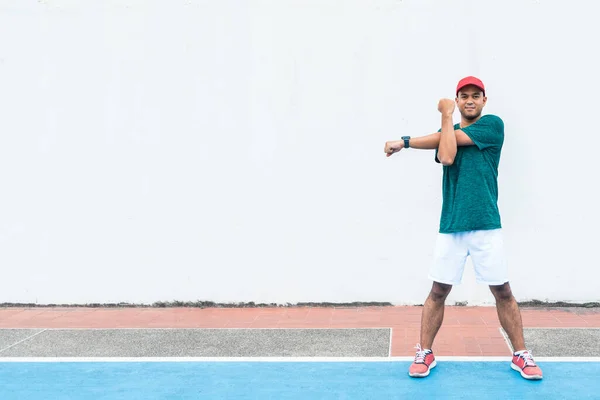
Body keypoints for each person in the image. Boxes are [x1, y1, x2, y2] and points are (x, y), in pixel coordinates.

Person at [383, 76, 543, 380]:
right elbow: (441, 141)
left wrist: (445, 115)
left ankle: (520, 354)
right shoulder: (450, 130)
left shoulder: (493, 125)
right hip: (452, 225)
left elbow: (446, 153)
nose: (469, 100)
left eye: (475, 96)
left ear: (484, 101)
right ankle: (425, 352)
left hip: (485, 224)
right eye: (463, 96)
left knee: (503, 291)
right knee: (438, 290)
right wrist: (403, 142)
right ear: (458, 100)